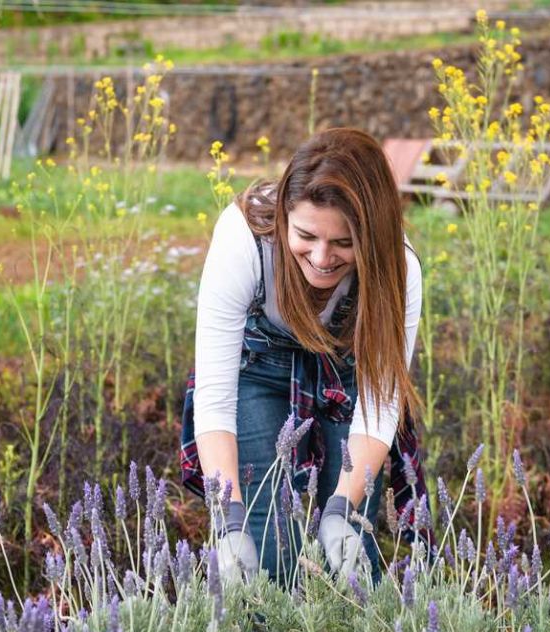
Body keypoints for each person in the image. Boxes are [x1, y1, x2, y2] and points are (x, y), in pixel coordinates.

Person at [180, 127, 430, 586]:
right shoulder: (243, 239)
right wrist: (229, 518)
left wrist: (341, 507)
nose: (321, 257)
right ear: (283, 216)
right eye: (306, 235)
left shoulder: (400, 267)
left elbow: (379, 408)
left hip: (347, 377)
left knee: (351, 549)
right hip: (258, 371)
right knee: (266, 550)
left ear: (371, 237)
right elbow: (215, 401)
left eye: (343, 243)